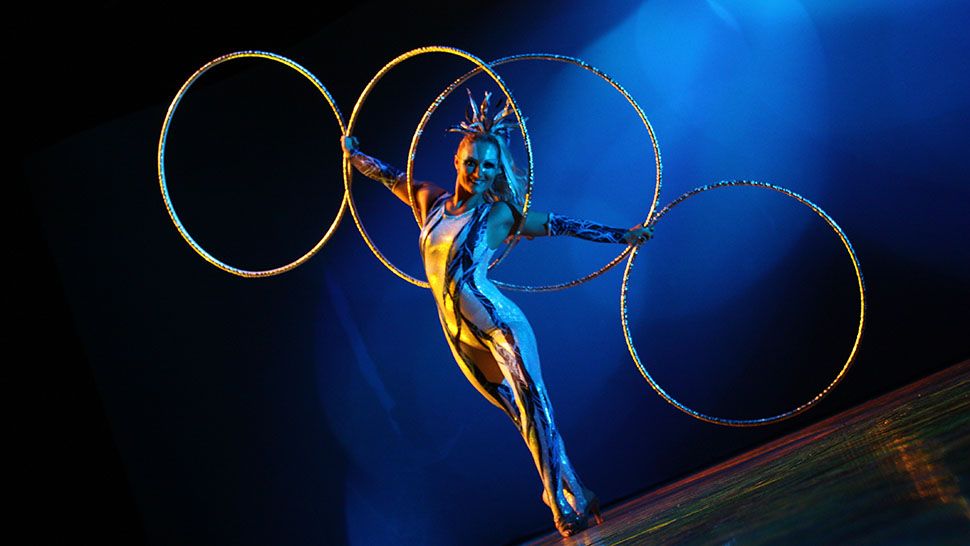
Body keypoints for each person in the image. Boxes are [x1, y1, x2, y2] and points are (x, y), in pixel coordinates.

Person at [341, 90, 652, 537]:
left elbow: (560, 223)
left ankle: (558, 505)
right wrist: (354, 155)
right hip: (458, 335)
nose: (480, 172)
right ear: (457, 161)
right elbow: (389, 176)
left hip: (499, 323)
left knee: (535, 407)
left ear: (497, 169)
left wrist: (624, 235)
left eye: (489, 165)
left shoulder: (500, 213)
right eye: (472, 163)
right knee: (524, 420)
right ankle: (576, 490)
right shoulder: (430, 201)